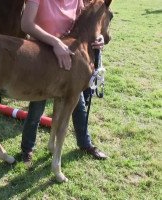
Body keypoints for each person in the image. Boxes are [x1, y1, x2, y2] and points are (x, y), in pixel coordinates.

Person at [20, 0, 108, 166]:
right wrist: (55, 42)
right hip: (42, 54)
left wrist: (99, 37)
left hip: (69, 55)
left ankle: (85, 143)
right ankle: (27, 148)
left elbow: (85, 23)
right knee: (37, 105)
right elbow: (26, 24)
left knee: (78, 103)